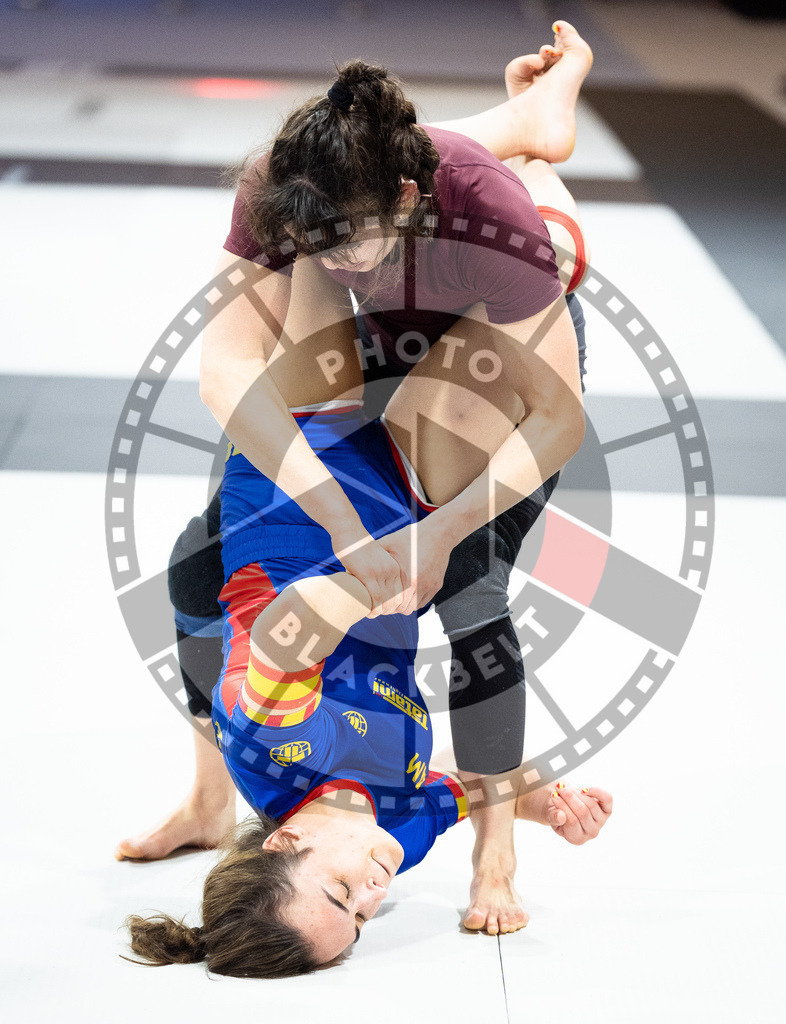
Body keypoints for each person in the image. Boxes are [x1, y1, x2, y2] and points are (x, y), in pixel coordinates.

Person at [117, 21, 600, 937]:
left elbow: (558, 420)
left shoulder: (478, 215)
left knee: (469, 588)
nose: (370, 891)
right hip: (366, 402)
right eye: (363, 913)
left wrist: (432, 534)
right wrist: (338, 511)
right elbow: (224, 371)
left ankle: (538, 155)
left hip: (486, 357)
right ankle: (204, 805)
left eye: (343, 895)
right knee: (191, 566)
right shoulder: (290, 188)